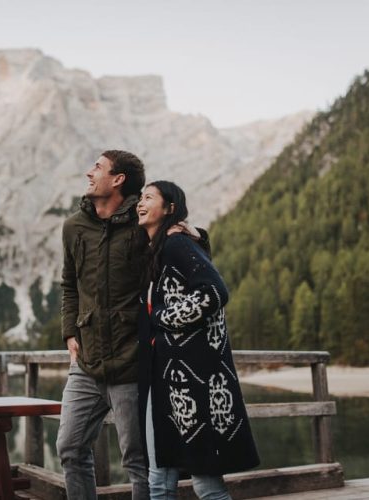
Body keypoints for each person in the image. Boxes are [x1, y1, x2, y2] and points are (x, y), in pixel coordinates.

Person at [136, 181, 260, 500]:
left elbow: (214, 292)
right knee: (160, 479)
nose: (140, 203)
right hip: (166, 379)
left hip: (190, 381)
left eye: (148, 198)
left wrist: (161, 318)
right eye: (139, 197)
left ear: (170, 208)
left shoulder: (177, 244)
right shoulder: (160, 249)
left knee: (203, 483)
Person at [56, 150, 150, 499]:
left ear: (118, 179)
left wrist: (197, 237)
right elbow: (69, 285)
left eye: (97, 167)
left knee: (138, 460)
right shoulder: (73, 227)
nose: (88, 173)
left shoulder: (144, 222)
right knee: (70, 447)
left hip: (131, 361)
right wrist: (69, 331)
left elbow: (178, 260)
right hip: (87, 364)